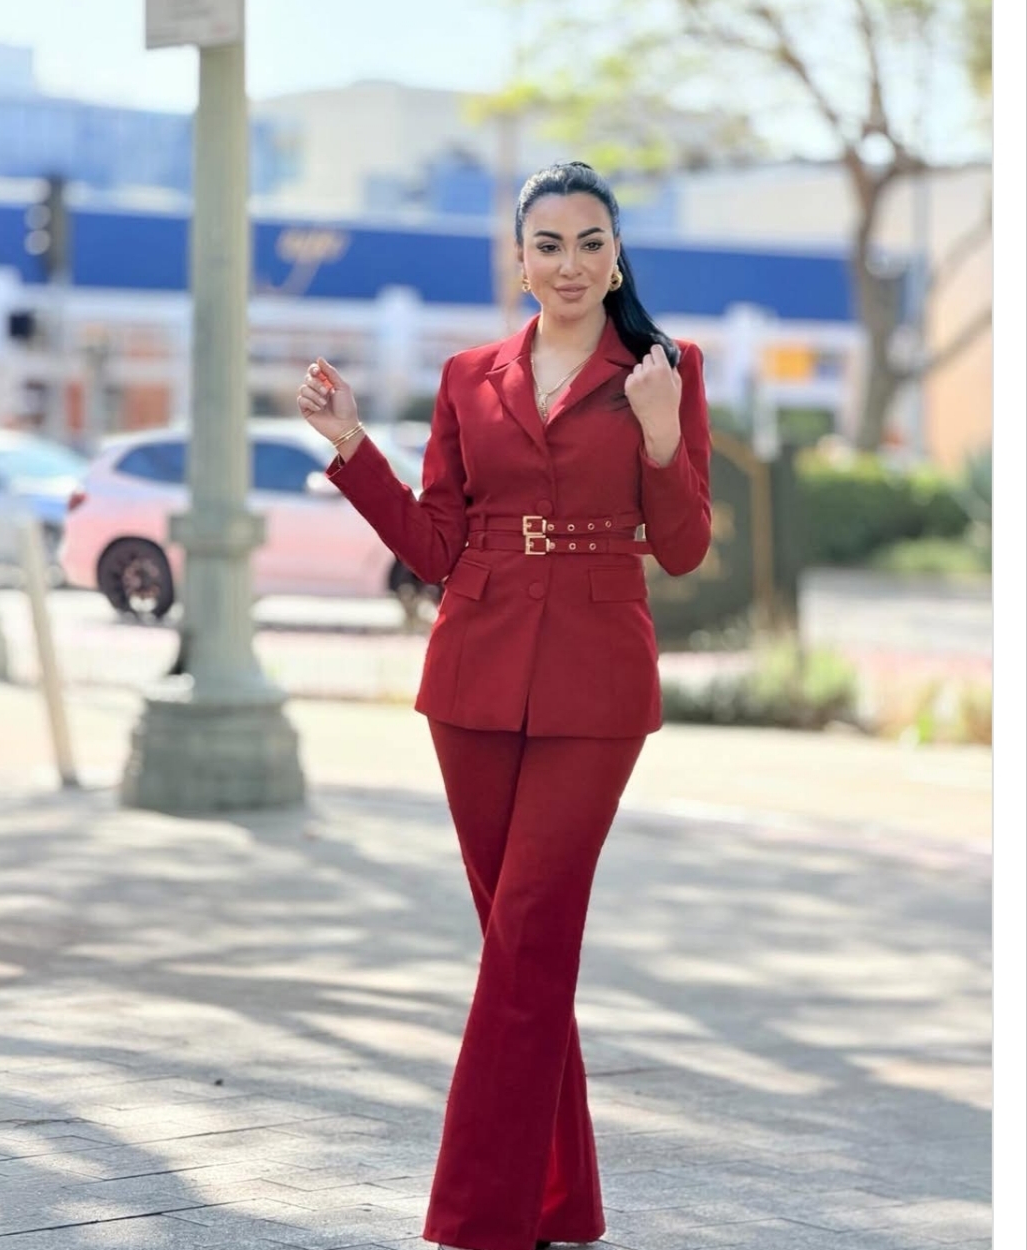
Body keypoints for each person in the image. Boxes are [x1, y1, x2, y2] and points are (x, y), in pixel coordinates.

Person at [297, 160, 712, 1250]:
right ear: (519, 260)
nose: (570, 263)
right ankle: (561, 1201)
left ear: (616, 255)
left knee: (529, 934)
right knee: (521, 951)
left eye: (590, 242)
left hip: (597, 683)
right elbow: (436, 545)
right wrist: (353, 447)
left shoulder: (666, 371)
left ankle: (480, 1219)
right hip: (472, 676)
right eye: (548, 244)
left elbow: (682, 549)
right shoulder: (466, 375)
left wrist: (663, 433)